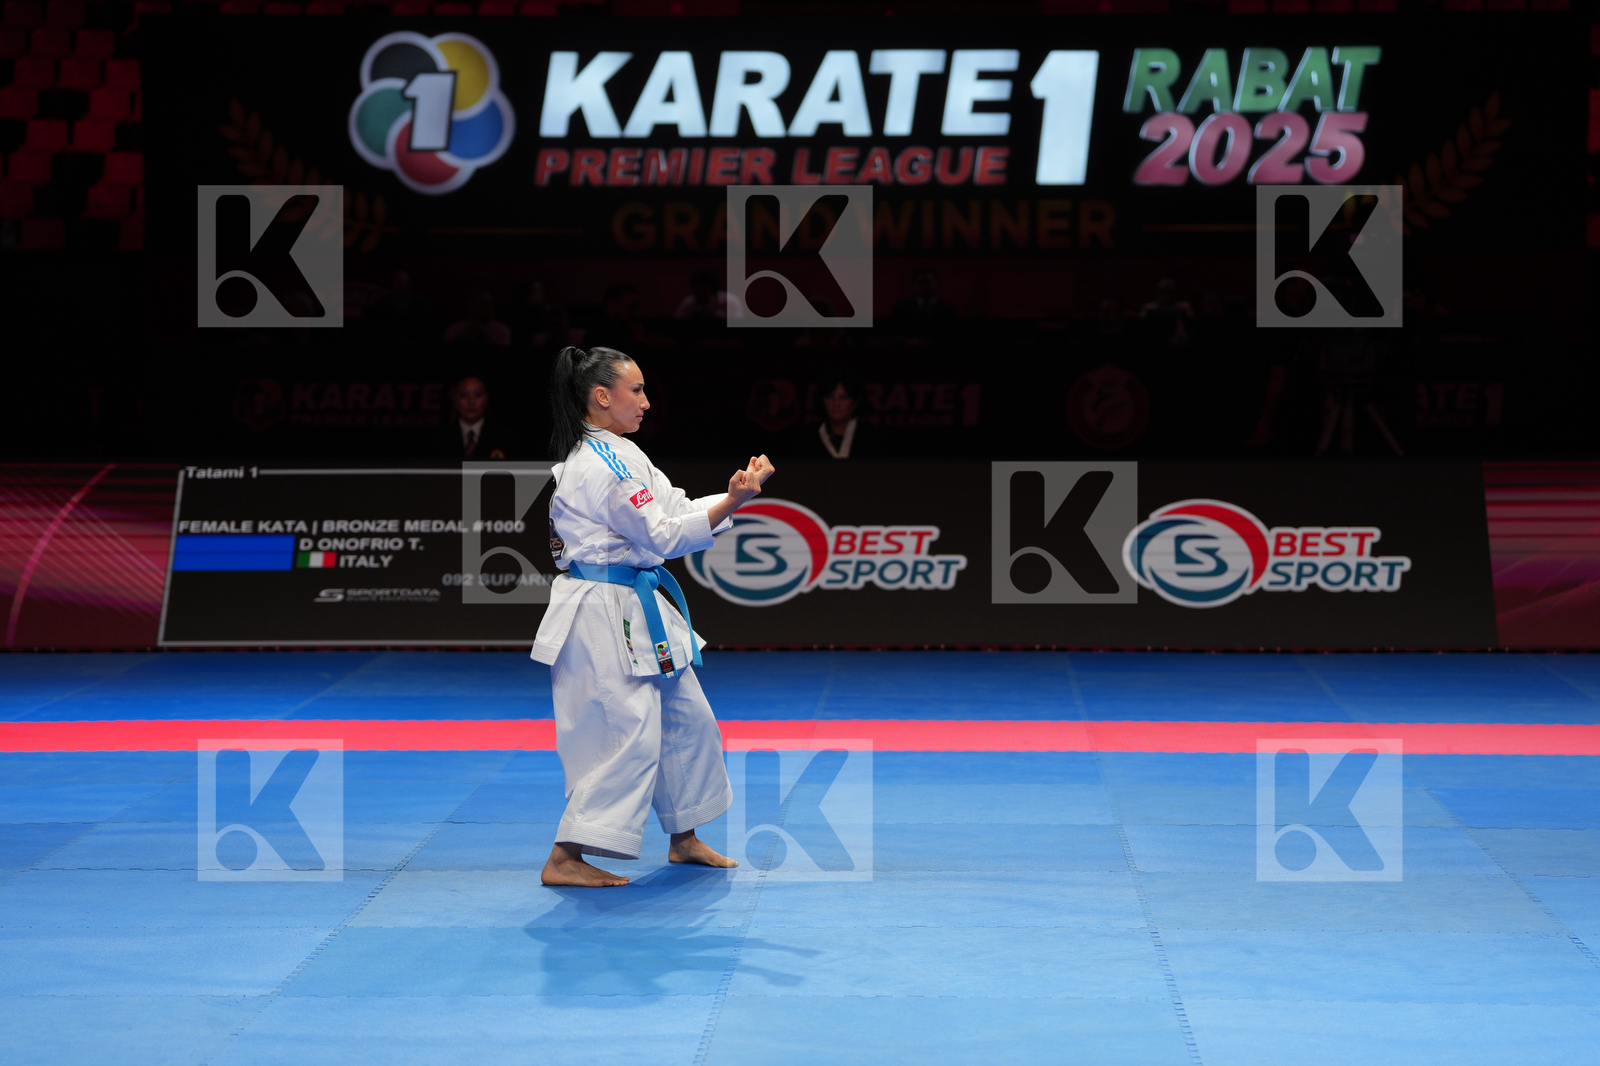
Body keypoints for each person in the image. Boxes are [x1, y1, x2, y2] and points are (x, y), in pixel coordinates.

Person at [531, 345, 775, 887]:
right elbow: (662, 535)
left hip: (633, 608)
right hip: (603, 613)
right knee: (630, 734)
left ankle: (683, 838)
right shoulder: (604, 462)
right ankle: (565, 855)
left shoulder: (623, 453)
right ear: (602, 397)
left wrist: (735, 495)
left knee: (686, 718)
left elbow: (676, 508)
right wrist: (731, 506)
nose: (645, 401)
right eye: (635, 390)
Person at [440, 375, 518, 460]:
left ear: (486, 399)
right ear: (455, 400)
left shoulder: (504, 437)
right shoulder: (439, 439)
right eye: (464, 395)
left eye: (478, 394)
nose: (471, 401)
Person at [813, 378, 867, 459]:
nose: (836, 404)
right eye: (830, 397)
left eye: (844, 397)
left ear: (855, 402)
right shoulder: (803, 439)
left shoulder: (875, 439)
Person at [445, 291, 512, 346]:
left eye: (490, 305)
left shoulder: (501, 330)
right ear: (471, 307)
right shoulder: (454, 329)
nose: (489, 309)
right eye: (483, 305)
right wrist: (464, 335)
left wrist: (483, 334)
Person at [674, 269, 745, 320]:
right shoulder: (688, 303)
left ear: (711, 288)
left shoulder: (730, 302)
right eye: (695, 288)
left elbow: (738, 326)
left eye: (701, 288)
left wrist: (714, 312)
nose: (698, 292)